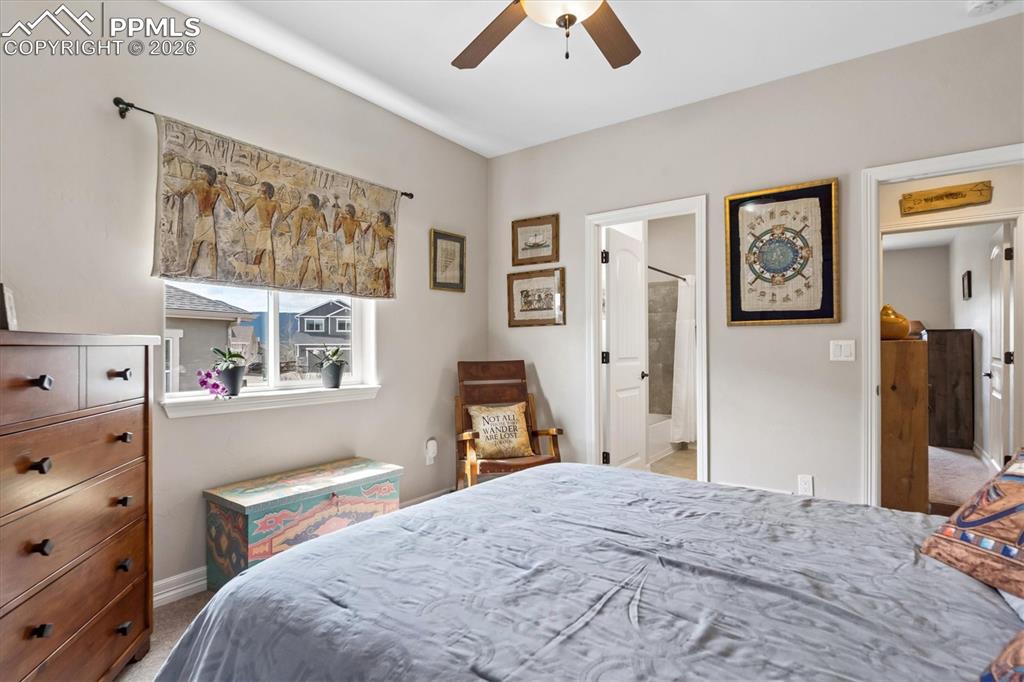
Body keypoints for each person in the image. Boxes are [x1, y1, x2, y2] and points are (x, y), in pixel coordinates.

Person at [170, 164, 235, 277]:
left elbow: (232, 207)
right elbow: (182, 194)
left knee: (207, 246)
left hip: (206, 220)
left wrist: (225, 187)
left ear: (207, 175)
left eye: (201, 171)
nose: (198, 173)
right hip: (204, 220)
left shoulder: (210, 187)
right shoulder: (201, 185)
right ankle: (192, 271)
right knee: (203, 246)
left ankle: (207, 273)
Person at [279, 193, 328, 288]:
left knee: (315, 261)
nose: (305, 200)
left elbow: (325, 228)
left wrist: (317, 222)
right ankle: (301, 283)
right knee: (307, 260)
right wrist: (295, 239)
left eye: (307, 199)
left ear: (312, 201)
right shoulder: (302, 210)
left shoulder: (320, 214)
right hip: (306, 239)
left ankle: (316, 284)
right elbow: (296, 225)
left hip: (313, 240)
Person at [239, 181, 281, 284]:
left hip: (266, 231)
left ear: (265, 189)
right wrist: (238, 197)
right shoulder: (261, 200)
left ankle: (269, 280)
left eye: (261, 187)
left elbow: (280, 216)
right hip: (264, 231)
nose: (259, 188)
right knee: (261, 254)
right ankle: (257, 278)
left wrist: (274, 228)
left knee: (265, 255)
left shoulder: (271, 202)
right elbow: (244, 209)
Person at [333, 202, 363, 289]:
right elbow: (334, 230)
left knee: (352, 267)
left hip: (352, 246)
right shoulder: (342, 219)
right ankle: (341, 288)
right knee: (344, 267)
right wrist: (335, 219)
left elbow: (362, 233)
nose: (346, 211)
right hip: (347, 246)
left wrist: (368, 227)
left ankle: (354, 289)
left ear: (351, 211)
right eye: (345, 210)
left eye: (348, 210)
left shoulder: (356, 222)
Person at [369, 210, 395, 296]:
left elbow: (394, 240)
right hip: (379, 253)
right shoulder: (376, 227)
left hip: (386, 253)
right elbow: (373, 241)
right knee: (376, 272)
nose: (379, 217)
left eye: (381, 216)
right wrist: (371, 254)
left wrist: (390, 239)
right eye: (379, 216)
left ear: (385, 218)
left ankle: (387, 291)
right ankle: (374, 290)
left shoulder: (390, 229)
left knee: (386, 273)